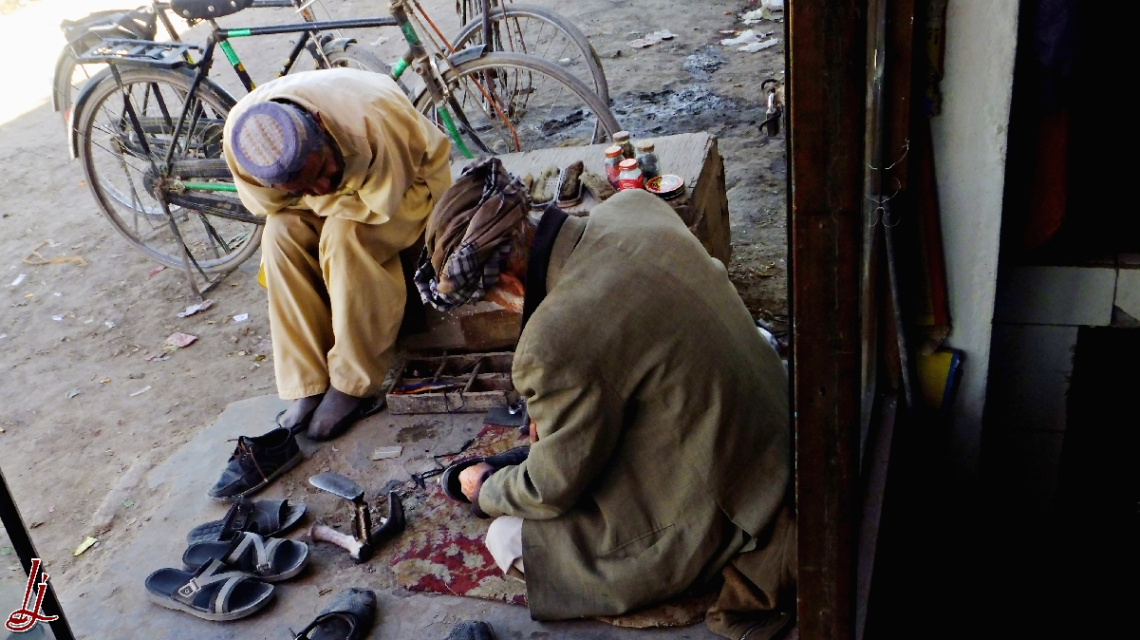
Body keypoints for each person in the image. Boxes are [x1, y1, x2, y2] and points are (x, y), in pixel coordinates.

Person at [425, 158, 795, 638]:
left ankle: (697, 566)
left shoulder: (553, 339)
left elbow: (550, 489)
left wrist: (486, 489)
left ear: (511, 284)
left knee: (507, 539)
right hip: (778, 422)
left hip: (735, 505)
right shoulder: (634, 205)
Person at [221, 68, 452, 442]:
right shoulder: (243, 145)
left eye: (324, 170)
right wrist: (316, 192)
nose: (322, 185)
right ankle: (307, 384)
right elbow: (271, 208)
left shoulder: (372, 120)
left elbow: (381, 203)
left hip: (410, 187)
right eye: (306, 183)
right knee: (280, 236)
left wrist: (315, 196)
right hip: (330, 200)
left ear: (319, 124)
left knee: (346, 236)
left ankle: (352, 384)